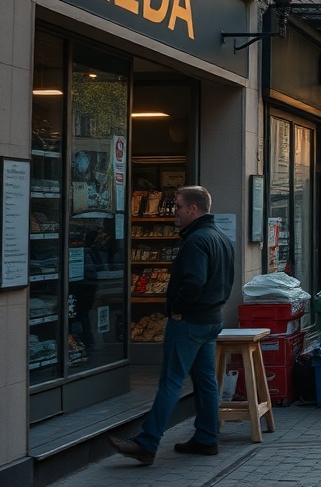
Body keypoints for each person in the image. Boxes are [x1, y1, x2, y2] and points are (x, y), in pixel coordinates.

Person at [109, 186, 235, 464]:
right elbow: (226, 281)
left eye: (178, 206)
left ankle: (147, 443)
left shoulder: (196, 241)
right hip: (211, 319)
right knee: (206, 381)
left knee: (171, 381)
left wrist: (178, 309)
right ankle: (206, 438)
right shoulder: (220, 238)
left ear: (193, 208)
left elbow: (193, 282)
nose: (174, 212)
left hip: (190, 322)